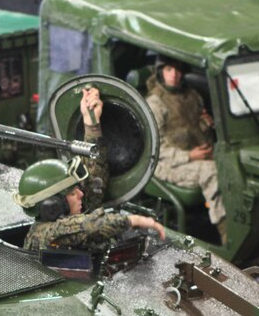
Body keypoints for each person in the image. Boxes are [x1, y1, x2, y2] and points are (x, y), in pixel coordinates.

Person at [15, 86, 165, 251]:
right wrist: (132, 221)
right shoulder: (44, 234)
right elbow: (90, 225)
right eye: (72, 193)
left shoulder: (68, 213)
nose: (80, 193)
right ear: (53, 206)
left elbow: (94, 180)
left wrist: (92, 125)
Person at [144, 56, 227, 243]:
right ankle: (226, 233)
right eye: (169, 70)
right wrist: (189, 156)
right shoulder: (155, 103)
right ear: (160, 72)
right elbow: (155, 149)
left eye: (178, 70)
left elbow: (194, 127)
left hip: (201, 154)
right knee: (212, 172)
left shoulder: (191, 95)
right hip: (167, 165)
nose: (174, 75)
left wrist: (206, 124)